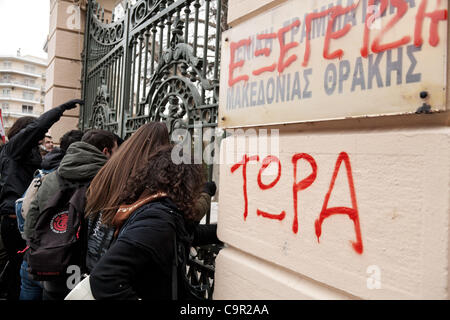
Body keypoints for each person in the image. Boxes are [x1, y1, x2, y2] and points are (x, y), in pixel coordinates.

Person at [84, 122, 216, 273]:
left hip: (98, 254)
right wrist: (205, 193)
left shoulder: (112, 169)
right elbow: (180, 217)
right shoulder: (149, 176)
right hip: (125, 265)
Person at [89, 145, 205, 299]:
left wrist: (221, 234)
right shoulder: (157, 220)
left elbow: (180, 235)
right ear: (187, 183)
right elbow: (104, 277)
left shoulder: (153, 205)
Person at [0, 99, 83, 300]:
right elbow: (36, 128)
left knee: (19, 274)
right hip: (15, 220)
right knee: (20, 275)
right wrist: (60, 109)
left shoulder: (25, 153)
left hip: (22, 218)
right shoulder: (14, 150)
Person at [24, 129, 118, 300]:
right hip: (86, 279)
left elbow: (32, 219)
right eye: (116, 152)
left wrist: (41, 250)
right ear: (106, 152)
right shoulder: (106, 183)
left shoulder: (51, 177)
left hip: (52, 267)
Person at [17, 129, 83, 300]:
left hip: (34, 257)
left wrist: (32, 244)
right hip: (64, 265)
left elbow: (27, 211)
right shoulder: (87, 178)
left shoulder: (44, 173)